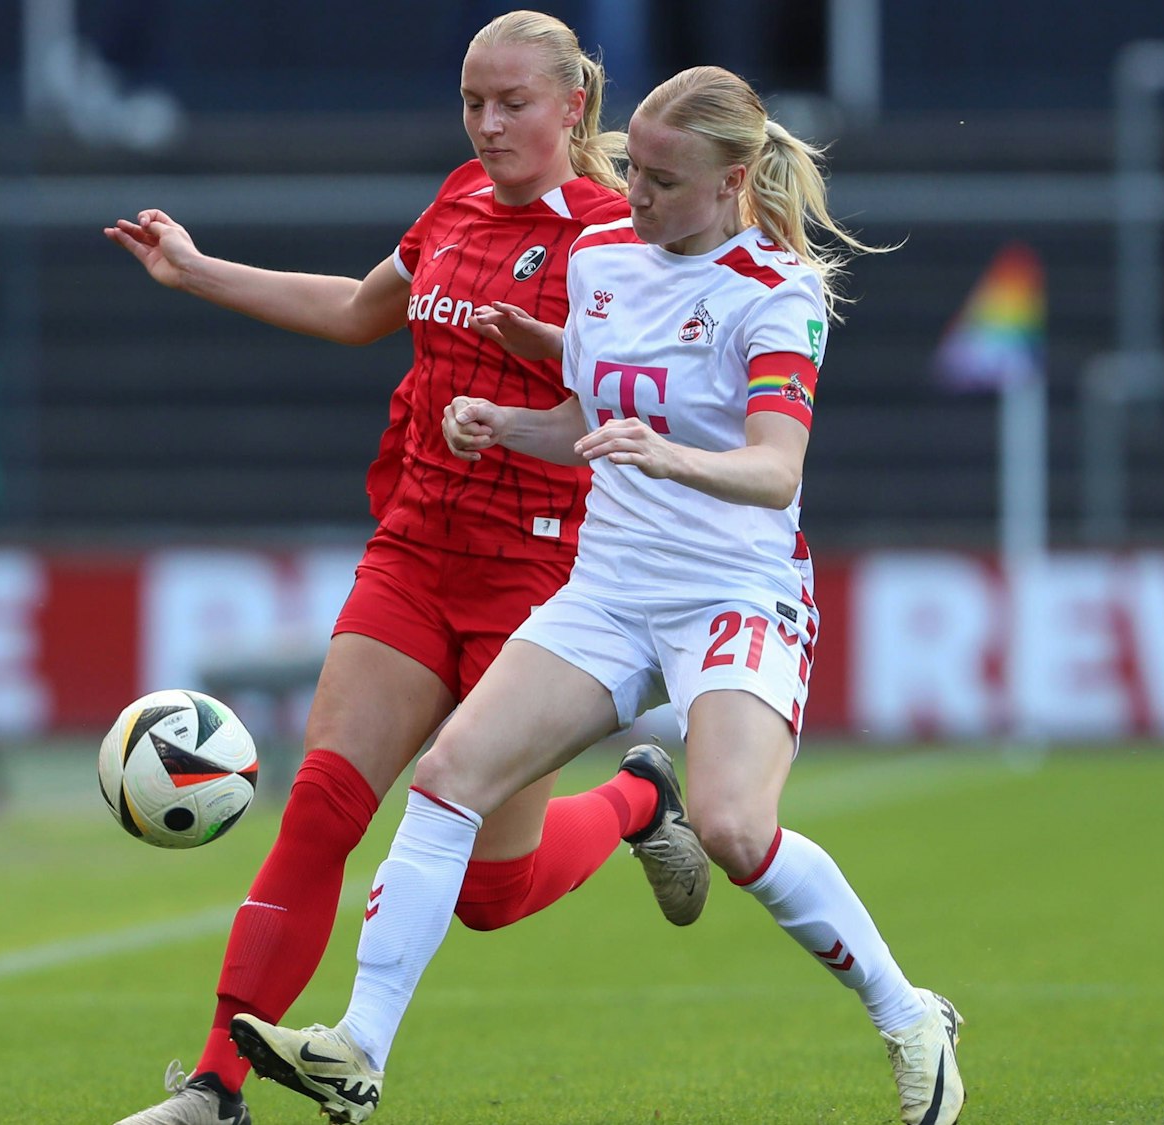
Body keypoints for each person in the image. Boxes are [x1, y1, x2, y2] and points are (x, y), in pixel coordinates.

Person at [227, 66, 966, 1125]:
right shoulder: (607, 256)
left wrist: (664, 457)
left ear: (733, 179)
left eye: (662, 180)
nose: (639, 197)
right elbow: (591, 409)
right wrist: (506, 419)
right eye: (634, 172)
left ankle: (908, 1017)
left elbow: (773, 469)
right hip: (609, 588)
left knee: (730, 828)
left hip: (732, 594)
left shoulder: (775, 292)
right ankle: (359, 1047)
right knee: (447, 778)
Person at [101, 13, 711, 1125]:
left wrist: (533, 420)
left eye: (509, 103)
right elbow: (353, 310)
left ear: (573, 105)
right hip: (415, 552)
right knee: (322, 805)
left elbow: (648, 404)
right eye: (471, 102)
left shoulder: (623, 240)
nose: (485, 124)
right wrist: (192, 273)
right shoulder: (455, 202)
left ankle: (635, 801)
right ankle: (212, 1087)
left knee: (488, 892)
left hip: (542, 582)